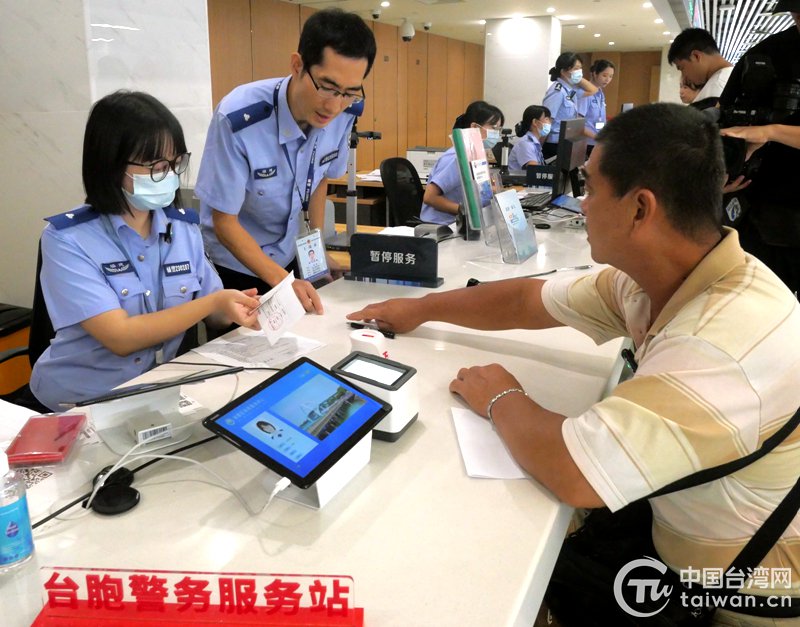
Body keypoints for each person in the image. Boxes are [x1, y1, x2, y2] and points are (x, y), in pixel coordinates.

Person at [348, 103, 800, 623]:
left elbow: (575, 472)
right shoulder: (664, 275)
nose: (581, 204)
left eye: (590, 187)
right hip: (683, 531)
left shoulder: (721, 343)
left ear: (639, 209)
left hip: (748, 589)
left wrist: (500, 396)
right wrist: (419, 310)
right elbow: (527, 301)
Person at [29, 91, 261, 411]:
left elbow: (215, 311)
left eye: (176, 163)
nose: (169, 175)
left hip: (158, 393)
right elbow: (121, 337)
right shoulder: (67, 239)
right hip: (78, 402)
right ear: (111, 166)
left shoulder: (182, 228)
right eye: (156, 165)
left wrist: (237, 305)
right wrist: (213, 301)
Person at [195, 8, 377, 314]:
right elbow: (224, 223)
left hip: (288, 259)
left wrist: (316, 255)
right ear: (297, 65)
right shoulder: (239, 118)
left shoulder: (346, 111)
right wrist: (281, 282)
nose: (334, 105)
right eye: (327, 87)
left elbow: (319, 181)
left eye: (348, 92)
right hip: (236, 268)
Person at [718, 1, 800, 297]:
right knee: (754, 301)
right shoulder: (768, 52)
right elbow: (727, 116)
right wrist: (739, 151)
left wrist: (771, 132)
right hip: (761, 210)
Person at [419, 101, 505, 225]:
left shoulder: (476, 154)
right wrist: (465, 211)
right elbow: (430, 197)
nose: (497, 134)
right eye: (494, 128)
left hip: (466, 223)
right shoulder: (456, 157)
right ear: (475, 127)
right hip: (444, 226)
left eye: (499, 129)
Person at [542, 52, 598, 160]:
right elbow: (547, 120)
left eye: (580, 68)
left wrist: (578, 78)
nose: (579, 72)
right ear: (563, 71)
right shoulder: (557, 91)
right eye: (576, 68)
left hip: (566, 143)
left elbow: (593, 90)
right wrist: (539, 147)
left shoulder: (569, 91)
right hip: (554, 145)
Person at [668, 28, 732, 107]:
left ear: (696, 56)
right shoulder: (736, 76)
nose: (684, 77)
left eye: (682, 68)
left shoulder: (713, 93)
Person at [578, 59, 615, 157]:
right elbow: (578, 124)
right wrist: (598, 137)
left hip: (597, 142)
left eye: (611, 76)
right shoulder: (586, 93)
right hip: (587, 144)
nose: (607, 79)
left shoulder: (600, 93)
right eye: (604, 75)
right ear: (594, 74)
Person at [508, 105, 551, 170]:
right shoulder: (526, 144)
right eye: (546, 119)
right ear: (535, 122)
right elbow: (534, 171)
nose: (549, 123)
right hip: (519, 180)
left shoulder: (533, 142)